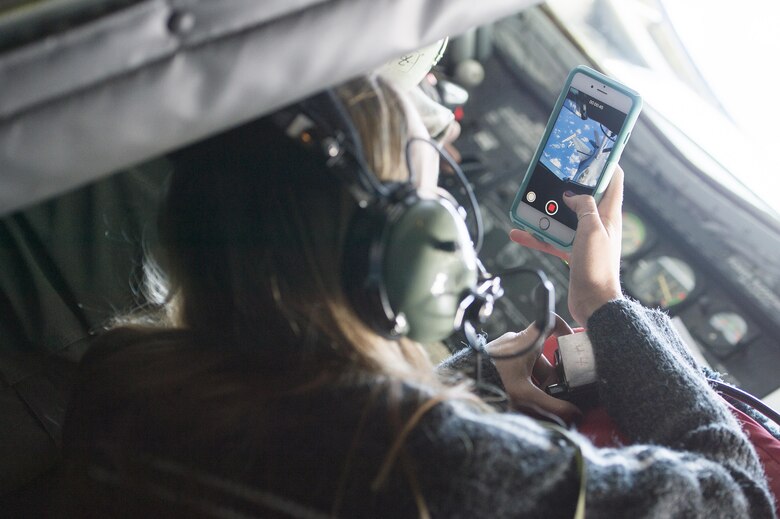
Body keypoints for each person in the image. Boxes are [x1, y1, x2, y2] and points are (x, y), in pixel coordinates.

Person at [57, 76, 775, 518]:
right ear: (404, 258)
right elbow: (736, 499)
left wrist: (474, 375)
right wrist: (607, 308)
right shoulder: (438, 467)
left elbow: (306, 430)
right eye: (437, 200)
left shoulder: (124, 381)